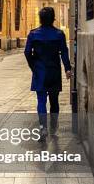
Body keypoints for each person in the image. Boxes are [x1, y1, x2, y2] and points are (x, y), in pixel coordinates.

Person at [24, 7, 71, 135]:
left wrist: (34, 66)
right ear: (53, 18)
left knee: (41, 101)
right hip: (54, 72)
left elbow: (27, 52)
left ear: (40, 19)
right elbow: (64, 53)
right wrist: (67, 68)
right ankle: (54, 127)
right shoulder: (59, 34)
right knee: (54, 101)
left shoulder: (33, 34)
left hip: (39, 72)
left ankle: (43, 127)